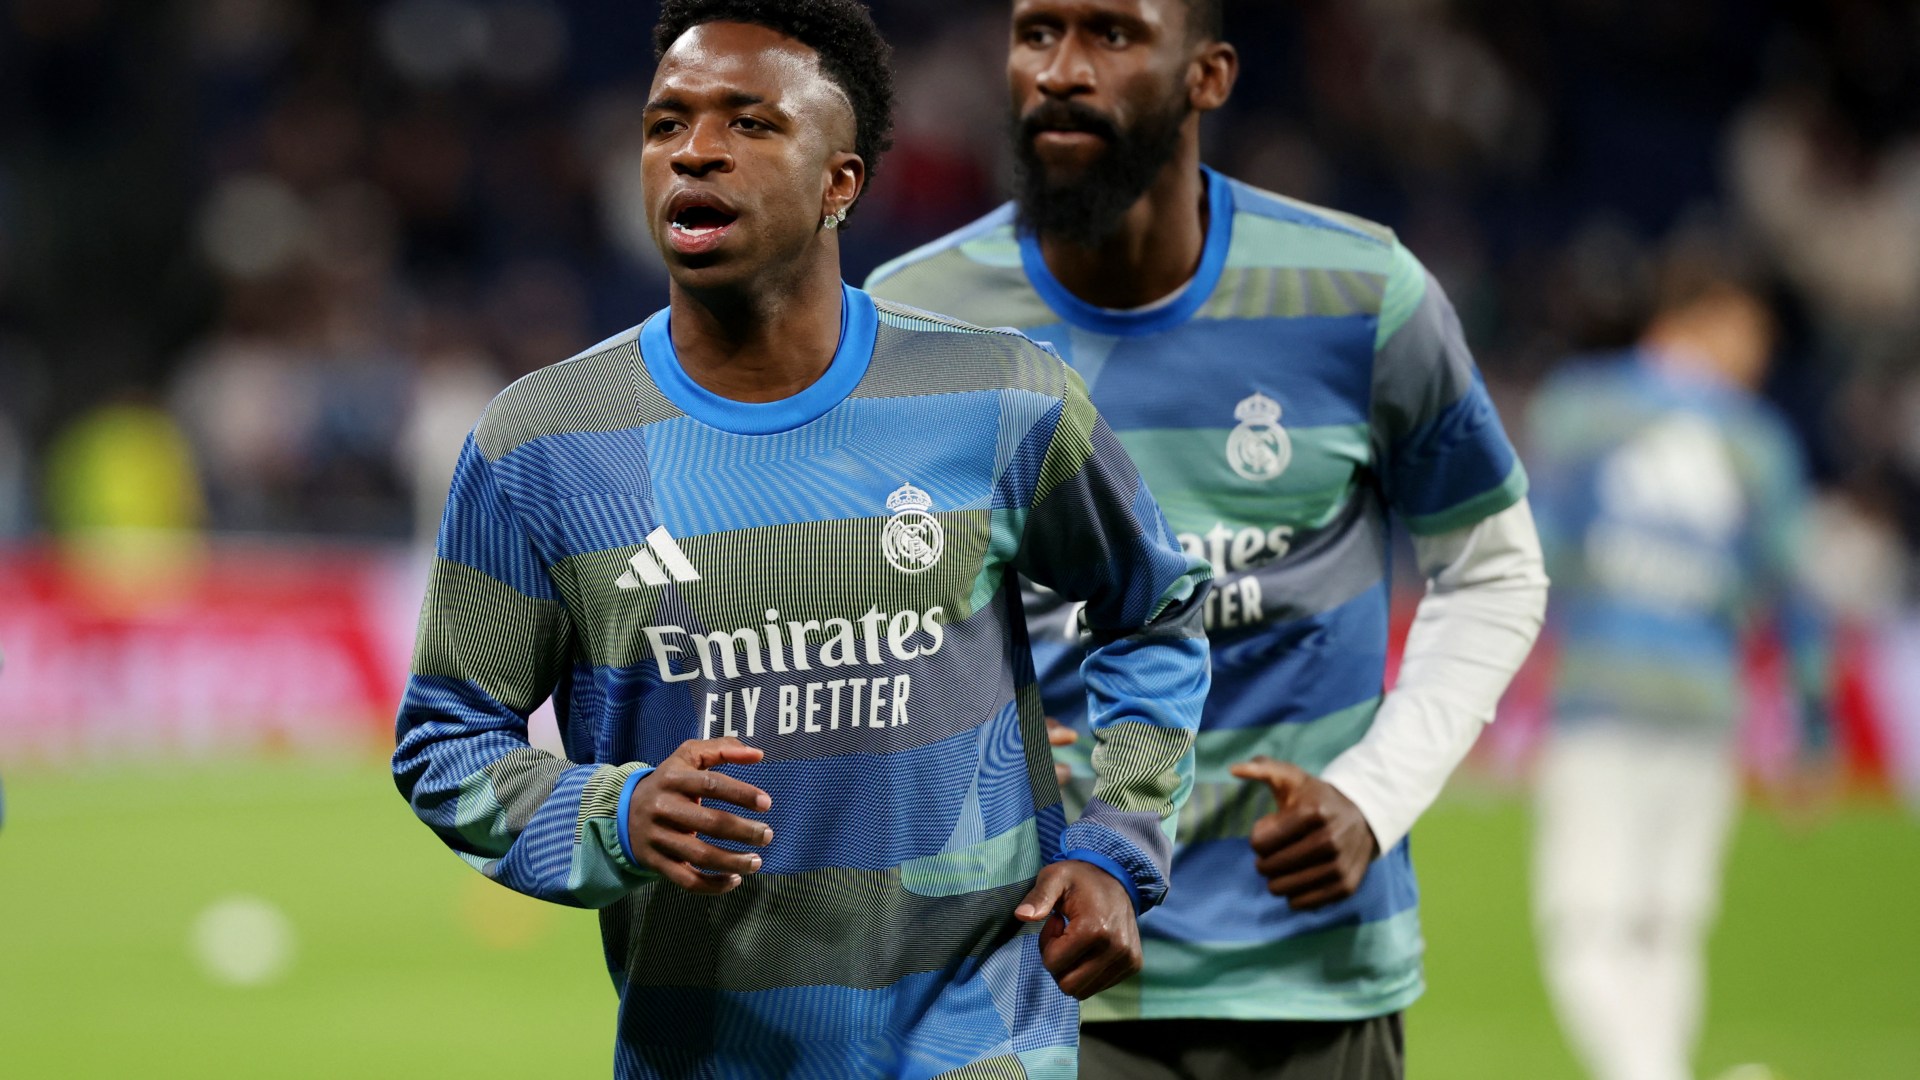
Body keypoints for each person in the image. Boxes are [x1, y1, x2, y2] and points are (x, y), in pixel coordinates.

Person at [391, 1, 1214, 1076]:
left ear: (841, 184)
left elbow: (1154, 610)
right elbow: (447, 738)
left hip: (979, 1047)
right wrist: (614, 815)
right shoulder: (542, 444)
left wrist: (1117, 844)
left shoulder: (999, 397)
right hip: (705, 1051)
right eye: (666, 123)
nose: (694, 149)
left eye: (750, 123)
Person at [866, 1, 1548, 1076]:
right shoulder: (910, 321)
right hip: (1030, 974)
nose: (1061, 70)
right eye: (1037, 32)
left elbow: (1493, 569)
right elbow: (871, 620)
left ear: (1209, 75)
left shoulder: (1360, 294)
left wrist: (1374, 796)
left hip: (1310, 970)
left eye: (1112, 34)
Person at [1525, 273, 1833, 1080]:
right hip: (1703, 703)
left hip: (1602, 694)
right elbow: (1793, 595)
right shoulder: (1759, 442)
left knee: (1584, 923)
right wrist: (1814, 728)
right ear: (1695, 317)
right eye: (1751, 337)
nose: (1758, 360)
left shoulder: (1581, 408)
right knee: (1667, 929)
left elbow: (1537, 552)